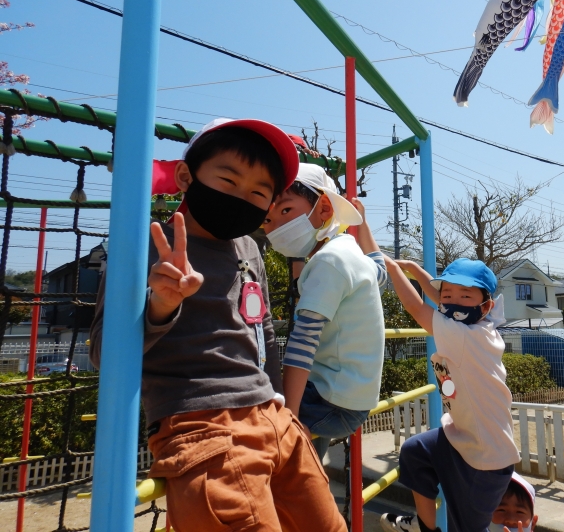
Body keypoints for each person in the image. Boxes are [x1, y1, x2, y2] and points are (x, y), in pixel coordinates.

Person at [89, 118, 346, 532]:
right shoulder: (144, 246)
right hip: (203, 424)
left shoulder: (249, 249)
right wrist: (161, 305)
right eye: (228, 180)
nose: (242, 197)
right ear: (186, 176)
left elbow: (263, 332)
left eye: (259, 192)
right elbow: (103, 353)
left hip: (275, 417)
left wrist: (282, 404)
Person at [380, 258, 520, 532]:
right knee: (415, 452)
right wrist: (414, 269)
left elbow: (416, 307)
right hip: (463, 438)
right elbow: (443, 300)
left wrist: (394, 269)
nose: (454, 302)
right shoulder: (481, 322)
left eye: (466, 295)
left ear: (486, 305)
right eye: (448, 295)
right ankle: (425, 527)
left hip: (485, 458)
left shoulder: (465, 336)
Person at [263, 163, 387, 459]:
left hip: (330, 403)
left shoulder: (328, 262)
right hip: (351, 400)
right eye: (267, 219)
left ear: (325, 209)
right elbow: (381, 271)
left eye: (286, 210)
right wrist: (362, 223)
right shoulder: (349, 251)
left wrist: (290, 418)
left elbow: (303, 342)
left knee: (257, 411)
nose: (275, 226)